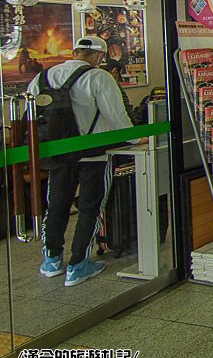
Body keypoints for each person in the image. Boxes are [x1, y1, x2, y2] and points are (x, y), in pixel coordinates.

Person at [29, 37, 137, 286]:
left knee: (56, 206)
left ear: (75, 52)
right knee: (90, 208)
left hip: (58, 155)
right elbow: (116, 115)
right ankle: (78, 264)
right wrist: (134, 139)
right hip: (94, 155)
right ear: (100, 56)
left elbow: (31, 115)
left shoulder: (44, 77)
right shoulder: (99, 77)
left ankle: (52, 260)